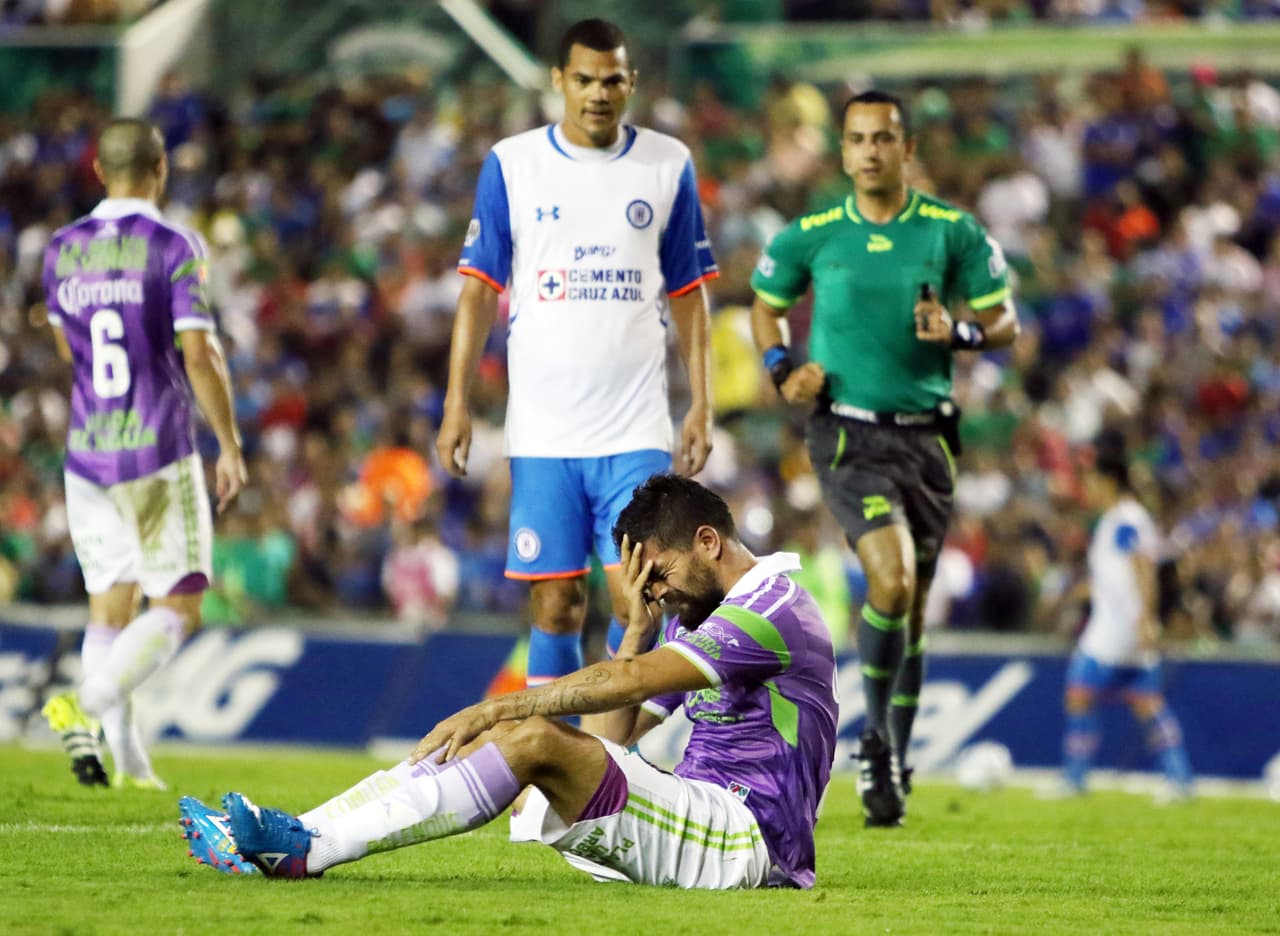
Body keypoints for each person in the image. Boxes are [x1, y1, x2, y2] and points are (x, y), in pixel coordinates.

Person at [178, 475, 837, 889]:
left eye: (658, 574)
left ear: (708, 542)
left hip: (748, 839)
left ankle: (306, 855)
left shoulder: (773, 608)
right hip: (692, 815)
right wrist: (635, 629)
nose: (653, 592)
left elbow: (630, 682)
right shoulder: (692, 617)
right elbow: (614, 747)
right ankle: (289, 833)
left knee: (527, 739)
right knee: (480, 748)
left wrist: (503, 706)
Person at [749, 89, 1020, 827]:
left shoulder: (950, 232)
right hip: (846, 433)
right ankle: (870, 739)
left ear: (907, 149)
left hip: (928, 438)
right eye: (857, 139)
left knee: (912, 610)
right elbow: (764, 302)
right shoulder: (811, 234)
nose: (870, 150)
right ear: (843, 152)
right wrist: (781, 365)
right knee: (891, 579)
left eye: (883, 138)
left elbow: (1004, 321)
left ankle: (891, 762)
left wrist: (958, 333)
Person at [435, 18, 715, 706]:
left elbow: (689, 295)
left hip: (635, 432)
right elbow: (477, 294)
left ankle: (621, 778)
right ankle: (545, 788)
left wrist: (701, 401)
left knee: (640, 607)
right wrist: (456, 401)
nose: (598, 93)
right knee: (556, 608)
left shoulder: (667, 163)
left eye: (612, 79)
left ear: (631, 83)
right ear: (559, 82)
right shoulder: (512, 163)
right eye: (584, 80)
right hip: (544, 437)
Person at [39, 118, 247, 789]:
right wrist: (229, 443)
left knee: (111, 607)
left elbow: (69, 351)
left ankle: (125, 760)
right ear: (161, 168)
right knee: (180, 604)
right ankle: (84, 705)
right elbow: (198, 352)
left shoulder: (60, 250)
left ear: (98, 172)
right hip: (155, 447)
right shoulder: (172, 244)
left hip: (86, 453)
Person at [1056, 450, 1194, 801]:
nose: (1087, 489)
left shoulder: (1126, 519)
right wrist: (1082, 592)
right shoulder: (1115, 519)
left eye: (1091, 481)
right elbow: (1114, 575)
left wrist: (1147, 617)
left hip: (1116, 630)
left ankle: (1074, 780)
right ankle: (1179, 780)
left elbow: (1143, 566)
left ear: (1108, 481)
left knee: (1078, 694)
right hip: (1123, 625)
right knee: (1147, 702)